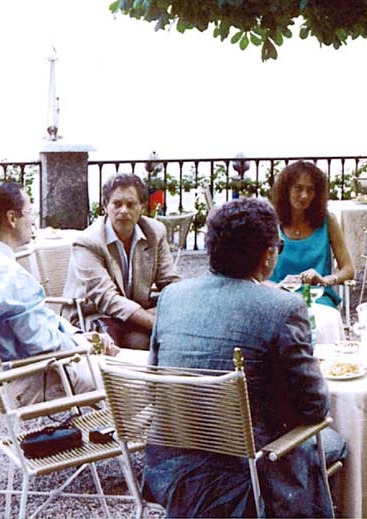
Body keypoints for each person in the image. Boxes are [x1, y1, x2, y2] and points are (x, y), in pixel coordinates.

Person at [144, 197, 347, 518]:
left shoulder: (172, 297)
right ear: (268, 255)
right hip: (246, 474)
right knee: (336, 441)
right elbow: (314, 407)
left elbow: (155, 389)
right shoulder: (281, 308)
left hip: (171, 470)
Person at [0, 182, 119, 406]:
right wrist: (88, 346)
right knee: (132, 381)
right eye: (30, 213)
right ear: (12, 218)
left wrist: (77, 335)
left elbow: (37, 321)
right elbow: (42, 344)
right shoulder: (6, 273)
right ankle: (131, 439)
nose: (33, 221)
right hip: (33, 378)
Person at [62, 173, 180, 350]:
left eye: (131, 204)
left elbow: (170, 282)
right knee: (145, 342)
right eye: (117, 204)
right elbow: (107, 299)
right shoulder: (88, 242)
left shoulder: (155, 232)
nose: (123, 210)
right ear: (105, 207)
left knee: (162, 341)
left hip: (134, 315)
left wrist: (184, 311)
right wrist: (157, 323)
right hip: (93, 317)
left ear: (142, 207)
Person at [269, 161, 354, 308]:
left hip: (317, 296)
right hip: (279, 296)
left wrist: (325, 280)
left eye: (310, 190)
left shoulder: (328, 221)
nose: (304, 195)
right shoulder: (270, 221)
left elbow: (348, 269)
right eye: (298, 188)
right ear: (286, 190)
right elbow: (253, 274)